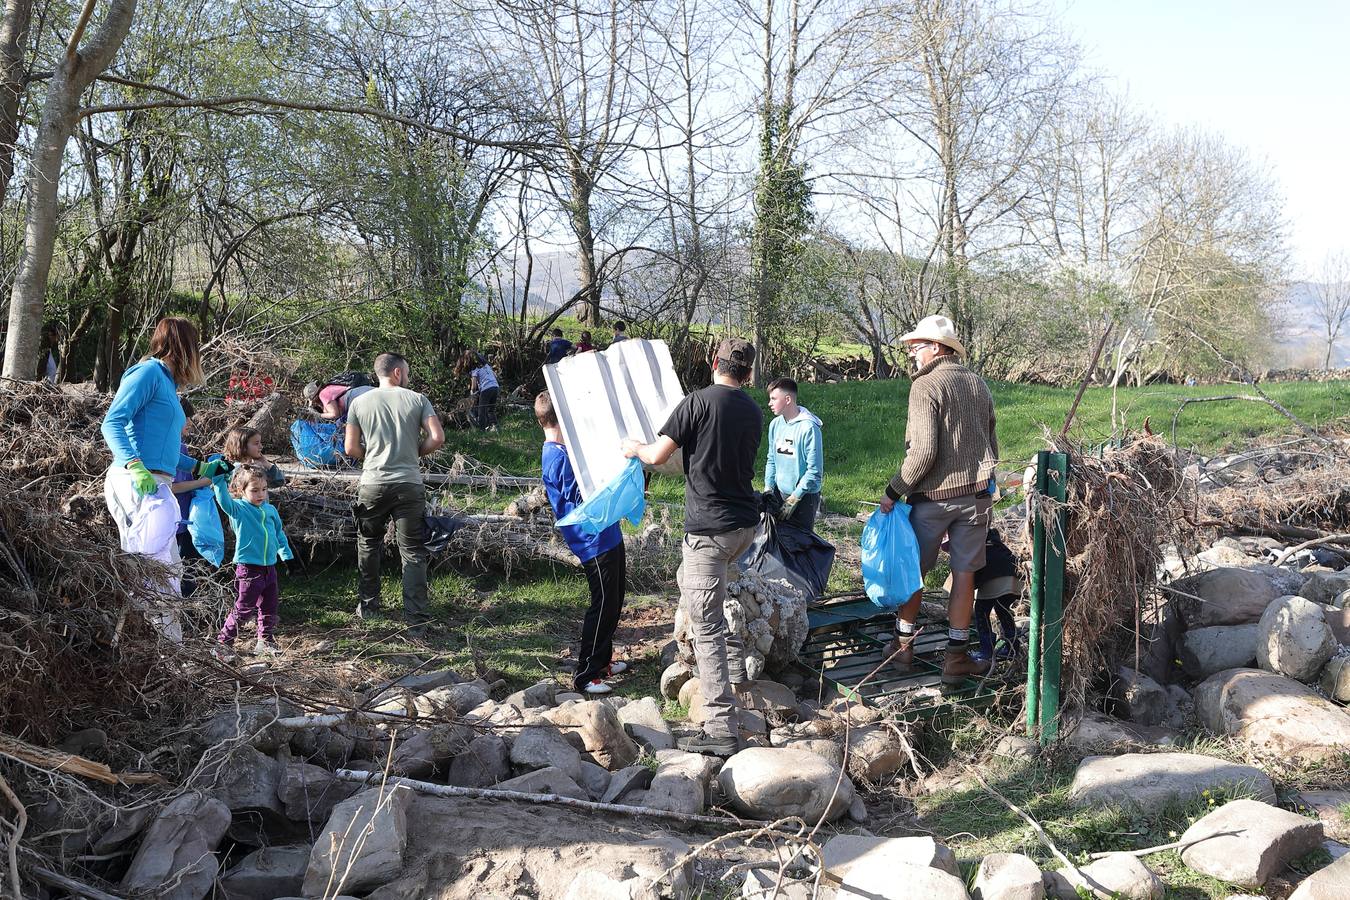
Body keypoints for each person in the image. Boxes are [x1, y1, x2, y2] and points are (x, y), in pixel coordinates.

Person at [623, 338, 762, 757]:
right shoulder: (754, 411)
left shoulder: (696, 403)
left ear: (712, 363)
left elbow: (657, 454)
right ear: (748, 374)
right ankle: (737, 672)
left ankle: (721, 727)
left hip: (709, 530)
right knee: (703, 590)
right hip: (745, 527)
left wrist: (633, 448)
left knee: (706, 625)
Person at [877, 315, 999, 685]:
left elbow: (924, 450)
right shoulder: (978, 384)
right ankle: (956, 659)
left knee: (914, 572)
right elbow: (992, 442)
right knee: (965, 576)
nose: (912, 354)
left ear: (938, 348)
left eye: (917, 347)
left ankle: (903, 647)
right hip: (977, 496)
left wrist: (893, 491)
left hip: (933, 499)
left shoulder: (926, 386)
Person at [100, 317, 229, 639]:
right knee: (151, 571)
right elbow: (112, 422)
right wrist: (135, 466)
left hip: (155, 481)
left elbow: (160, 446)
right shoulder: (148, 373)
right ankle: (140, 646)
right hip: (136, 482)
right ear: (184, 345)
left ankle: (167, 653)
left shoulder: (168, 385)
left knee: (168, 570)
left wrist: (199, 467)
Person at [345, 353, 445, 635]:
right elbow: (437, 437)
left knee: (368, 543)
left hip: (373, 483)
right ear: (399, 373)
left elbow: (350, 448)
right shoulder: (418, 399)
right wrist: (414, 453)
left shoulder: (359, 402)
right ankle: (416, 618)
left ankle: (369, 607)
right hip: (409, 484)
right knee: (413, 551)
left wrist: (372, 458)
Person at [536, 391, 628, 695]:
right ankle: (585, 674)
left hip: (607, 533)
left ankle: (603, 661)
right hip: (593, 541)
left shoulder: (567, 451)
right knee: (601, 604)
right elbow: (581, 499)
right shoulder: (556, 456)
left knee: (614, 598)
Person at [210, 466, 295, 660]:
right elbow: (223, 501)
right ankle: (223, 644)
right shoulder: (239, 509)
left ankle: (265, 641)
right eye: (254, 490)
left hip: (269, 568)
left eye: (264, 489)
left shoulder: (270, 510)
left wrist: (287, 556)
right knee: (243, 609)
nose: (261, 494)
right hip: (249, 568)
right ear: (242, 491)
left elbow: (278, 534)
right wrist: (218, 479)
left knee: (269, 606)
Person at [763, 377, 823, 531]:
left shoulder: (809, 428)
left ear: (788, 399)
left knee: (801, 544)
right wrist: (768, 489)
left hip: (804, 497)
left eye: (774, 399)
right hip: (779, 492)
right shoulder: (775, 424)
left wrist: (794, 498)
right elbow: (771, 459)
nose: (769, 403)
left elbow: (814, 471)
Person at [171, 399, 212, 598]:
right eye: (188, 419)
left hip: (182, 520)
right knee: (184, 571)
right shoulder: (175, 448)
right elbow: (173, 487)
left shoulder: (177, 445)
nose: (190, 423)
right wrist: (202, 482)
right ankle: (185, 611)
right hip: (178, 522)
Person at [969, 528, 1021, 663]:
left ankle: (986, 650)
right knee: (1003, 610)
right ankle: (1012, 648)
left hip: (994, 579)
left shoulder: (979, 547)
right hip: (1014, 580)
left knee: (981, 611)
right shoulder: (999, 547)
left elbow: (974, 574)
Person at [304, 373, 376, 423]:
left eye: (313, 400)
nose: (315, 402)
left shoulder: (323, 394)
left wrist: (319, 415)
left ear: (315, 396)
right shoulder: (328, 388)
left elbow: (335, 414)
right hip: (362, 392)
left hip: (359, 398)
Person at [457, 350, 500, 431]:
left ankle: (482, 430)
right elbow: (494, 376)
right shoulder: (487, 366)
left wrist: (472, 393)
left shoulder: (475, 370)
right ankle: (495, 427)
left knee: (481, 410)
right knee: (491, 410)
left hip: (486, 388)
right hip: (495, 387)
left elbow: (473, 386)